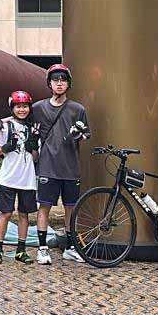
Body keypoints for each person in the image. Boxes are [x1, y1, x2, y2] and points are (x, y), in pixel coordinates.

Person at [31, 63, 90, 265]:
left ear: (68, 84)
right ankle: (42, 249)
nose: (59, 83)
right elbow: (27, 128)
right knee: (44, 207)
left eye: (63, 80)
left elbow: (86, 135)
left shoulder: (78, 109)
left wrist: (78, 134)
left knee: (70, 208)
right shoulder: (38, 108)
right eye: (55, 79)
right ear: (49, 83)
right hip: (48, 166)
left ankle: (70, 247)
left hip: (70, 167)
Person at [0, 90, 39, 263]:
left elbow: (35, 158)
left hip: (26, 179)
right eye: (18, 107)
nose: (22, 110)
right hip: (8, 177)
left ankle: (21, 250)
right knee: (6, 213)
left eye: (25, 106)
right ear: (12, 108)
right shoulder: (4, 125)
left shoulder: (32, 129)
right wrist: (7, 147)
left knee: (24, 214)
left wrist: (33, 145)